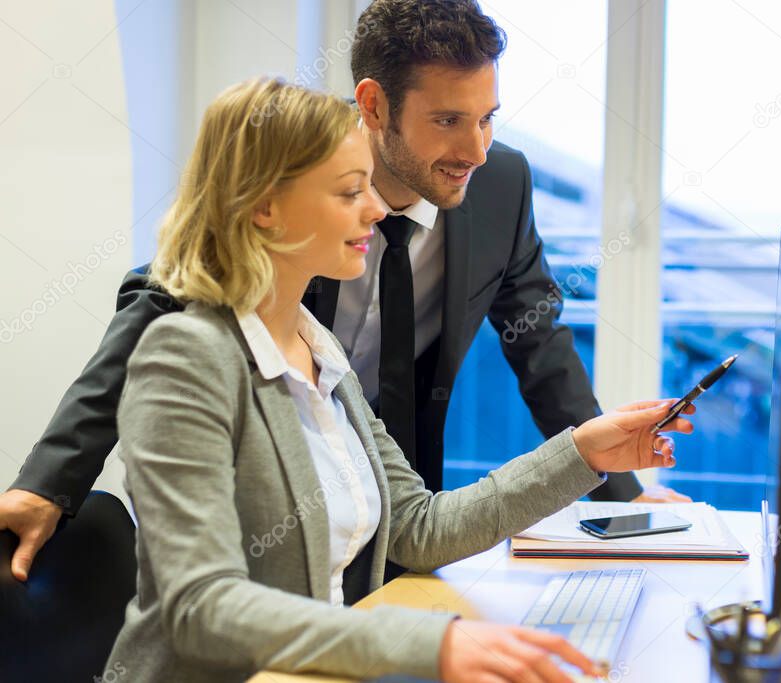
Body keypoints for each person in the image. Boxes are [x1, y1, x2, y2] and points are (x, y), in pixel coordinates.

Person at [0, 0, 688, 584]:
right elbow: (166, 295)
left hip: (392, 487)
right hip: (265, 499)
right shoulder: (303, 163)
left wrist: (621, 492)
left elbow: (538, 342)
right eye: (449, 120)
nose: (476, 149)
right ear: (373, 105)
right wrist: (49, 479)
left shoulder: (499, 185)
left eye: (488, 118)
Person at [101, 77, 694, 683]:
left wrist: (583, 452)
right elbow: (202, 606)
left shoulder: (316, 345)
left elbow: (420, 528)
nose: (378, 209)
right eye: (349, 191)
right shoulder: (186, 359)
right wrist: (426, 642)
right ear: (265, 207)